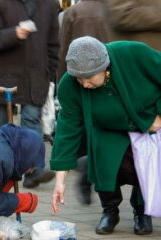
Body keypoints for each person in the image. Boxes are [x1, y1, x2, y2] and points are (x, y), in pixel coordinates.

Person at [50, 36, 160, 235]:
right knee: (104, 162)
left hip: (146, 122)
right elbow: (67, 131)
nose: (84, 84)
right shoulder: (69, 86)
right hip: (105, 128)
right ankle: (110, 211)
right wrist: (60, 180)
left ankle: (142, 211)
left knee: (145, 167)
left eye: (89, 78)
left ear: (105, 67)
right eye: (79, 78)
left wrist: (159, 115)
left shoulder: (135, 54)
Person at [0, 0, 59, 188]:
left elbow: (54, 43)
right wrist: (13, 34)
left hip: (36, 76)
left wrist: (50, 74)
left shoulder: (49, 4)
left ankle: (33, 169)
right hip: (5, 75)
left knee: (31, 120)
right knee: (2, 127)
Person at [57, 0, 113, 205]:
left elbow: (64, 50)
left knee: (90, 133)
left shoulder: (74, 11)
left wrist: (62, 82)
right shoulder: (116, 8)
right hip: (106, 76)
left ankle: (88, 169)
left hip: (81, 77)